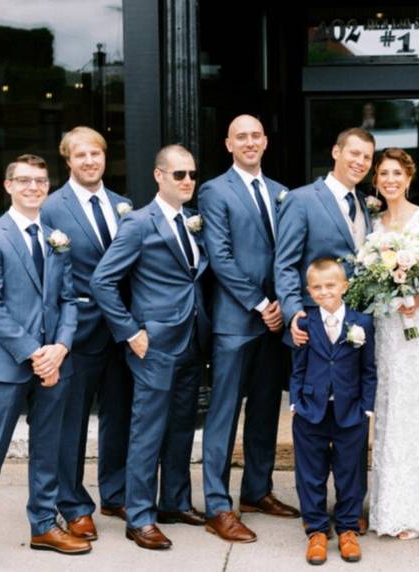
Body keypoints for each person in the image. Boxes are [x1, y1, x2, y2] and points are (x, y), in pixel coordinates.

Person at [0, 154, 88, 572]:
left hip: (55, 365)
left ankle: (42, 526)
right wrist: (36, 353)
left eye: (40, 181)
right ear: (8, 186)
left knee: (48, 450)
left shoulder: (57, 237)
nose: (34, 187)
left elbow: (69, 301)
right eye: (25, 181)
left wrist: (61, 349)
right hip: (9, 365)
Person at [91, 145, 211, 549]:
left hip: (192, 337)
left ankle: (174, 501)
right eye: (179, 174)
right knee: (147, 430)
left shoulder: (194, 221)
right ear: (159, 176)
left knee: (181, 426)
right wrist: (129, 331)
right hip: (154, 343)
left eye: (192, 174)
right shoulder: (139, 223)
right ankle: (139, 515)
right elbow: (102, 281)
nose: (188, 181)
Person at [198, 115, 299, 544]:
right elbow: (220, 258)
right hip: (236, 324)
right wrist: (262, 306)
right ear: (228, 144)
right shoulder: (214, 191)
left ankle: (257, 491)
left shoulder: (281, 193)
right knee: (223, 417)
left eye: (256, 135)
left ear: (266, 140)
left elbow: (288, 256)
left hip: (273, 325)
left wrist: (283, 309)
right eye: (241, 136)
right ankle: (219, 506)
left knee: (263, 413)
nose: (250, 142)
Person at [275, 126, 375, 533]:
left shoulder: (365, 206)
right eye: (353, 153)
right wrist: (293, 312)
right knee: (316, 429)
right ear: (335, 151)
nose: (360, 162)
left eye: (367, 157)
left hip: (354, 326)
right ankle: (317, 519)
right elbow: (285, 263)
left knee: (351, 427)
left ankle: (349, 513)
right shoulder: (302, 200)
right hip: (314, 326)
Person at [41, 126, 133, 538]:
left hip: (121, 332)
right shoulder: (51, 208)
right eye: (81, 155)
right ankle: (73, 503)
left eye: (95, 153)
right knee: (71, 423)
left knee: (118, 417)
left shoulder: (124, 205)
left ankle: (115, 493)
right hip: (76, 333)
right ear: (68, 160)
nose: (90, 161)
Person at [367, 147, 419, 540]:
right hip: (387, 326)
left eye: (396, 173)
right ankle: (391, 506)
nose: (390, 180)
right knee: (392, 406)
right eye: (384, 173)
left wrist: (413, 299)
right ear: (376, 180)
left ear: (409, 177)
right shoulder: (373, 223)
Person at [290, 258, 377, 565]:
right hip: (310, 410)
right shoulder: (304, 322)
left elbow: (368, 370)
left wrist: (367, 408)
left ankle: (348, 528)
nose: (324, 292)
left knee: (350, 470)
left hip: (350, 410)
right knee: (310, 472)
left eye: (330, 285)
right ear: (309, 291)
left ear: (344, 286)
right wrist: (295, 403)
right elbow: (298, 366)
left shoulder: (362, 323)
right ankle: (315, 530)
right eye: (317, 287)